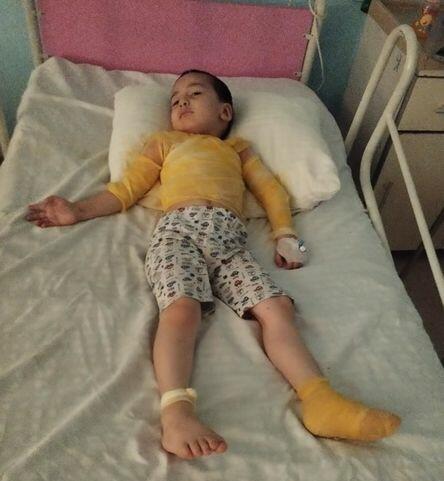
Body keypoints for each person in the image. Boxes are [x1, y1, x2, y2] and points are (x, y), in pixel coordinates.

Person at [26, 69, 401, 460]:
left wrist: (285, 235)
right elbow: (126, 189)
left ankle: (320, 400)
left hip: (230, 241)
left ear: (224, 112)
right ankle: (176, 413)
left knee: (277, 307)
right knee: (182, 309)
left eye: (194, 93)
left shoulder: (237, 149)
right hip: (179, 232)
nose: (181, 102)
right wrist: (78, 210)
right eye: (175, 100)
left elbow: (271, 191)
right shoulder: (165, 143)